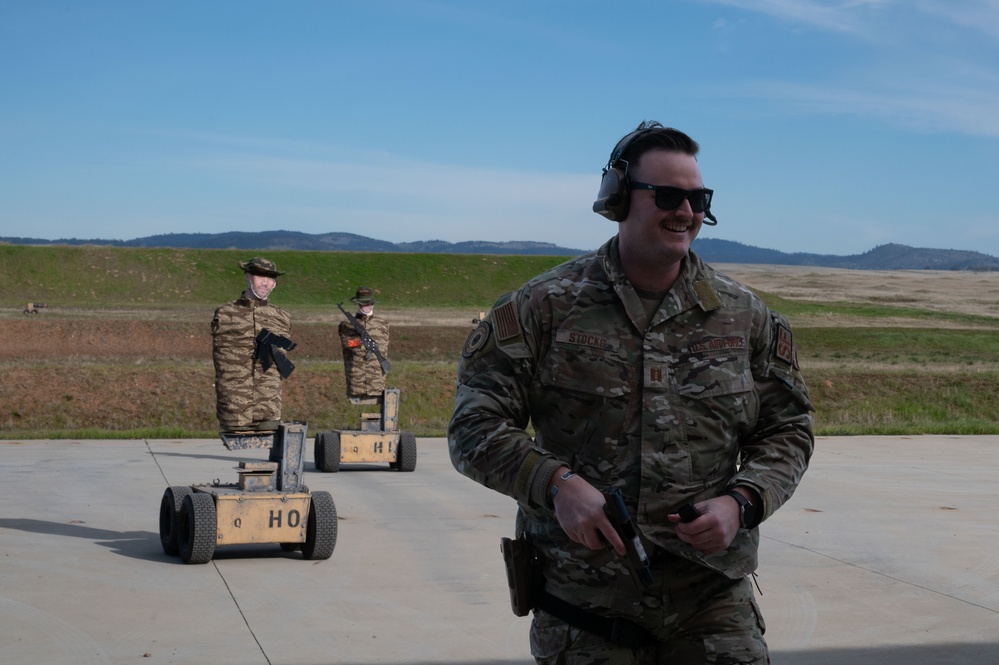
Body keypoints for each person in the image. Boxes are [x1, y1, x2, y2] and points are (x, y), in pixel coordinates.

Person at [448, 121, 814, 664]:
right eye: (668, 195)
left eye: (697, 198)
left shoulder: (746, 317)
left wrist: (744, 501)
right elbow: (474, 428)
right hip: (584, 607)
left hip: (711, 604)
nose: (686, 212)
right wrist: (556, 485)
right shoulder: (543, 307)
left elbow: (788, 429)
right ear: (619, 198)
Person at [211, 257, 294, 432]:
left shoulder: (282, 316)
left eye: (271, 278)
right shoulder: (226, 314)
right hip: (235, 409)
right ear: (248, 277)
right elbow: (222, 360)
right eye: (260, 276)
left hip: (269, 408)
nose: (265, 282)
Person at [338, 286, 390, 399]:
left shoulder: (382, 324)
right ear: (357, 304)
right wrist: (360, 341)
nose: (366, 307)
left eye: (368, 303)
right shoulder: (347, 325)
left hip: (376, 381)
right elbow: (346, 344)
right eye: (362, 304)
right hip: (357, 381)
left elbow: (384, 348)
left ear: (373, 304)